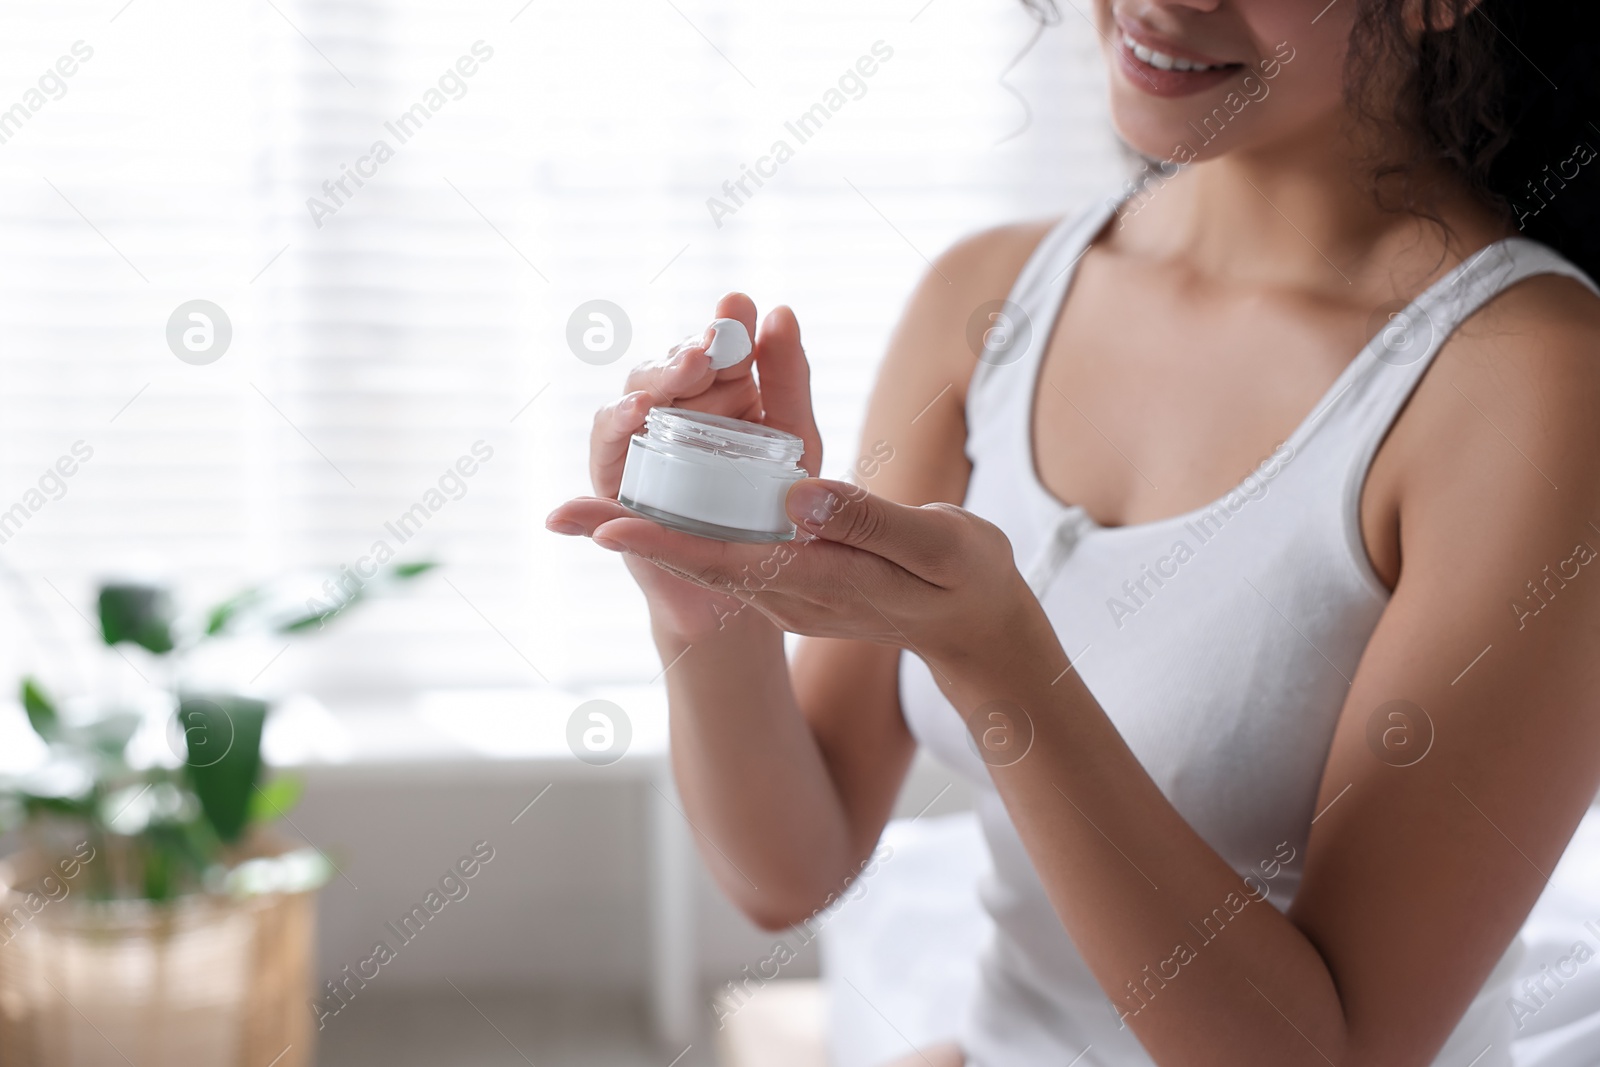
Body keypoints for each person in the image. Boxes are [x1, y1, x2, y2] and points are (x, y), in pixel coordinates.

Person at [546, 0, 1600, 1062]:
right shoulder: (991, 297)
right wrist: (705, 603)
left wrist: (1002, 664)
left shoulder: (1531, 381)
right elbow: (790, 870)